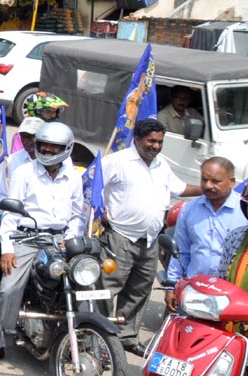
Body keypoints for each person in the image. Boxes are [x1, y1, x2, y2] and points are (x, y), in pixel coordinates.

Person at [0, 122, 84, 364]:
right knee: (8, 288)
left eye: (54, 147)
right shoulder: (24, 172)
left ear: (66, 148)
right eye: (43, 145)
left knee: (85, 280)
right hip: (26, 238)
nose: (47, 150)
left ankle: (84, 339)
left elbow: (77, 216)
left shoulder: (74, 177)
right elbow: (11, 214)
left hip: (59, 240)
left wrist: (71, 240)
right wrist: (7, 249)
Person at [101, 119, 200, 354]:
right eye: (151, 141)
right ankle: (100, 338)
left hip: (149, 241)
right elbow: (90, 188)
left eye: (160, 142)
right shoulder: (117, 161)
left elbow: (180, 188)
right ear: (137, 139)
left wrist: (208, 189)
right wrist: (98, 211)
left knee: (139, 291)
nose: (155, 146)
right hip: (120, 238)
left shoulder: (161, 165)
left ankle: (126, 337)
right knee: (106, 290)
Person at [166, 157, 245, 311]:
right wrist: (171, 286)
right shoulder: (189, 210)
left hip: (232, 296)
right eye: (204, 180)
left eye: (215, 181)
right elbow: (181, 252)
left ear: (231, 182)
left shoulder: (244, 212)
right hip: (194, 291)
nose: (208, 185)